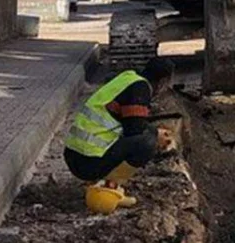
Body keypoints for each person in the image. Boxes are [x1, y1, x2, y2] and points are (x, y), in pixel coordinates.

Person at [63, 58, 175, 197]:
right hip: (88, 162)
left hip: (73, 154)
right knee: (146, 143)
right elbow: (134, 130)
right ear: (162, 82)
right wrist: (156, 133)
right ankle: (109, 189)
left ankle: (101, 180)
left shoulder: (127, 78)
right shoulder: (140, 88)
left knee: (144, 137)